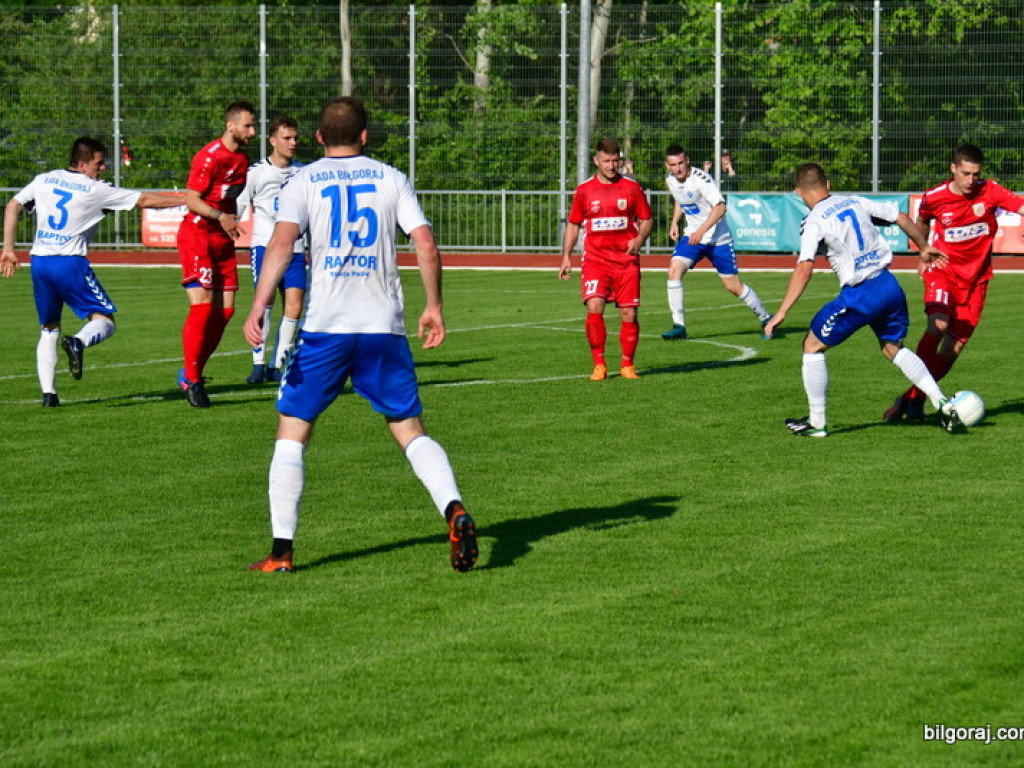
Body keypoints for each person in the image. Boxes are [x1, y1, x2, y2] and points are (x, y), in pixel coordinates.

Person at [242, 96, 478, 574]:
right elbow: (425, 244)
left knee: (292, 431)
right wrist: (433, 306)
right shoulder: (391, 177)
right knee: (409, 429)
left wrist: (259, 304)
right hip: (382, 327)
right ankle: (454, 509)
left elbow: (283, 243)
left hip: (326, 328)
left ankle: (281, 553)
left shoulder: (303, 179)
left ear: (319, 138)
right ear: (366, 136)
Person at [763, 163, 965, 436]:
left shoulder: (814, 220)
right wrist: (924, 247)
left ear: (799, 192)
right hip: (889, 285)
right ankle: (941, 402)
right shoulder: (855, 201)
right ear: (829, 184)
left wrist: (782, 311)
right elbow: (901, 218)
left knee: (811, 345)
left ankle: (817, 423)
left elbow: (804, 268)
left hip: (860, 293)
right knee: (893, 348)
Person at [1, 137, 182, 406]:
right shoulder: (95, 189)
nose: (104, 168)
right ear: (83, 164)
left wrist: (8, 249)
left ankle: (49, 395)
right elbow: (144, 199)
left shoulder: (44, 179)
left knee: (49, 328)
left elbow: (13, 204)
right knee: (105, 322)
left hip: (39, 262)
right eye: (99, 163)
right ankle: (78, 342)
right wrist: (186, 198)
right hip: (70, 263)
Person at [883, 143, 1024, 422]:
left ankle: (912, 398)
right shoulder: (935, 196)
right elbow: (922, 220)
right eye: (966, 173)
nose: (972, 180)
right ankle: (919, 399)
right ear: (954, 169)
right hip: (943, 271)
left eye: (976, 174)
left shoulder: (991, 191)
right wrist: (923, 250)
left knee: (951, 351)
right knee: (939, 324)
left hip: (977, 282)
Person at [176, 100, 256, 407]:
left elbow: (230, 198)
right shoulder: (209, 157)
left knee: (226, 311)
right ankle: (193, 380)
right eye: (248, 125)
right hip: (198, 234)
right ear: (231, 125)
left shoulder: (242, 158)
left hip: (222, 238)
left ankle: (190, 372)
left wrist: (228, 219)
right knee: (203, 307)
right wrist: (219, 216)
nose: (252, 130)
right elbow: (191, 199)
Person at [558, 137, 653, 380]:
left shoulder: (632, 188)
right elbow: (573, 224)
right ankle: (599, 364)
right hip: (595, 260)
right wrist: (566, 257)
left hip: (626, 260)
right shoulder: (584, 191)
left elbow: (647, 218)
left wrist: (640, 238)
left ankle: (627, 365)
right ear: (596, 160)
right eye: (606, 161)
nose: (611, 166)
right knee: (594, 305)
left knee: (629, 313)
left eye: (615, 161)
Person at [660, 145, 771, 341]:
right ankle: (679, 326)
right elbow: (680, 198)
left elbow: (720, 207)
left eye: (680, 163)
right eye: (673, 165)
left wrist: (701, 231)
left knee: (733, 286)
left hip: (718, 239)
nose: (678, 169)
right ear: (667, 165)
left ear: (688, 161)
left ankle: (765, 318)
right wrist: (674, 222)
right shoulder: (671, 180)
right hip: (692, 237)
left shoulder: (701, 180)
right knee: (673, 272)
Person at [237, 115, 307, 384]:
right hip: (265, 246)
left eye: (295, 138)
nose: (292, 143)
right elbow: (240, 207)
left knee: (295, 305)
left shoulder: (304, 172)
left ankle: (278, 365)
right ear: (273, 140)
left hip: (297, 248)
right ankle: (258, 363)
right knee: (264, 302)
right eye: (287, 138)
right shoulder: (256, 173)